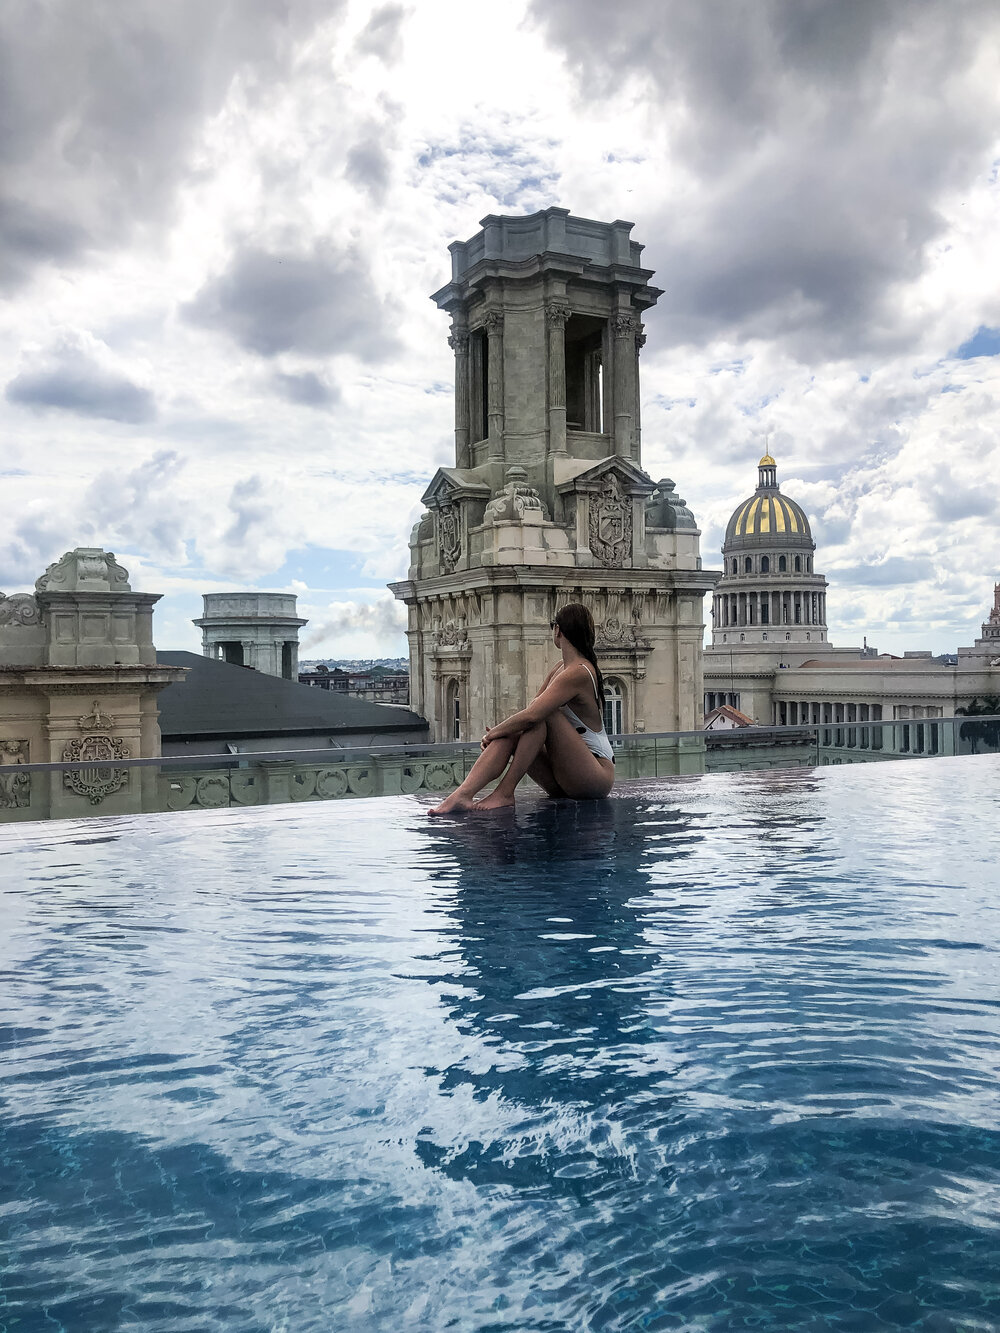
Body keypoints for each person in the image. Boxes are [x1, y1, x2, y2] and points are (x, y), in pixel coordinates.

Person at [428, 603, 615, 814]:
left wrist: (495, 732)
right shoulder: (560, 669)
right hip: (568, 776)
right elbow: (533, 708)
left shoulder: (579, 672)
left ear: (558, 630)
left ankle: (505, 792)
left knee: (544, 716)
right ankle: (462, 794)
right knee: (519, 728)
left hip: (595, 776)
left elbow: (535, 714)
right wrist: (504, 732)